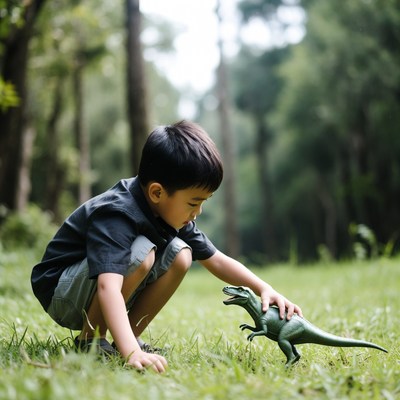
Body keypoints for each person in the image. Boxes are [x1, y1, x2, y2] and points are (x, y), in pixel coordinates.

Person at [31, 120, 302, 373]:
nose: (198, 212)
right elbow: (107, 286)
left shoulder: (170, 212)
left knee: (182, 255)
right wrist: (131, 355)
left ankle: (126, 340)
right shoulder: (117, 214)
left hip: (90, 289)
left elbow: (216, 259)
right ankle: (91, 341)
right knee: (142, 255)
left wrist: (266, 289)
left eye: (203, 202)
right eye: (194, 202)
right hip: (62, 292)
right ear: (157, 192)